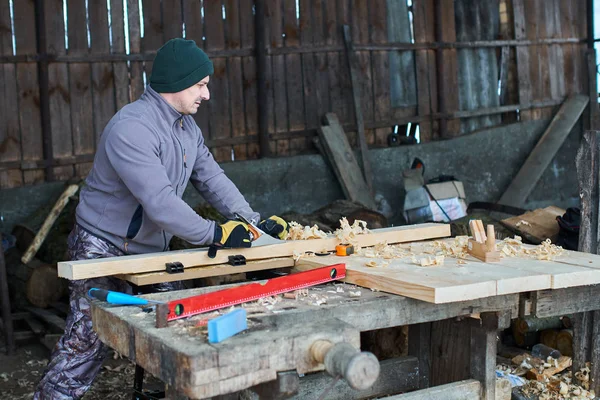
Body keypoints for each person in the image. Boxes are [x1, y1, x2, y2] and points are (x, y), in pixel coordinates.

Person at [34, 38, 288, 399]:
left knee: (176, 327)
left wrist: (252, 221)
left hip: (150, 249)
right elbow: (161, 204)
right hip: (102, 246)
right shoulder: (132, 127)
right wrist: (215, 233)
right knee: (87, 342)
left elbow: (212, 178)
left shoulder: (187, 128)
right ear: (177, 83)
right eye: (201, 85)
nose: (207, 94)